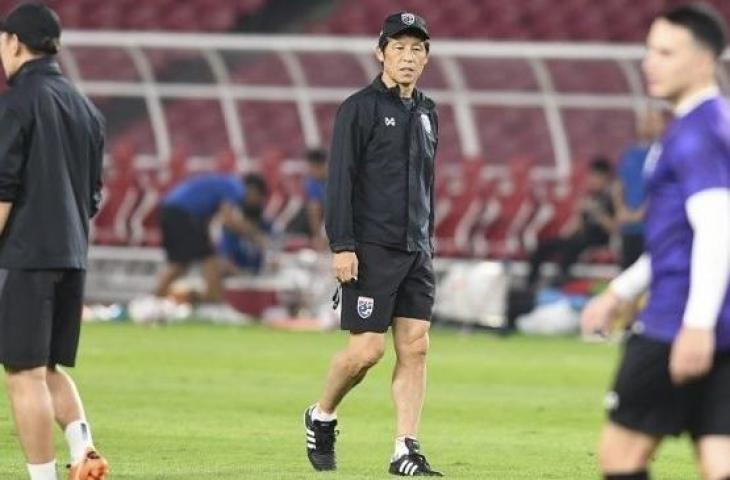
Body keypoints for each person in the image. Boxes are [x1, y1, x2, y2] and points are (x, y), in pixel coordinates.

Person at [581, 4, 730, 480]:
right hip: (717, 317)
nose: (650, 62)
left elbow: (716, 227)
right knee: (719, 458)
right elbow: (682, 234)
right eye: (649, 50)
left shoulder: (697, 133)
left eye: (666, 52)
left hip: (677, 320)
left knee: (620, 457)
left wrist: (697, 324)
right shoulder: (711, 124)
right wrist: (623, 291)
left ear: (705, 61)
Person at [303, 12, 442, 477]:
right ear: (380, 51)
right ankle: (321, 414)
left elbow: (426, 184)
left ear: (426, 57)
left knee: (417, 347)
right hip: (370, 247)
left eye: (417, 48)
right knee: (367, 352)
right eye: (399, 47)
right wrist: (342, 244)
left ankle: (405, 447)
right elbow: (339, 180)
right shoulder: (358, 108)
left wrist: (428, 238)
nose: (408, 56)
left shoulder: (427, 111)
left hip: (416, 248)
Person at [0, 3, 109, 479]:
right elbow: (92, 197)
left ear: (15, 42)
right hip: (72, 253)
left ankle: (41, 477)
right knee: (47, 368)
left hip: (26, 255)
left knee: (22, 373)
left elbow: (3, 189)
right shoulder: (85, 108)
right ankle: (83, 450)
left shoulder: (18, 102)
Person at [154, 172, 268, 303]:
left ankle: (156, 298)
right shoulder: (236, 188)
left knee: (186, 262)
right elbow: (228, 219)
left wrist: (209, 242)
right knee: (200, 259)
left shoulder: (223, 183)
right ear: (253, 190)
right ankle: (214, 304)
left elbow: (207, 220)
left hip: (172, 211)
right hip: (181, 214)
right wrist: (255, 236)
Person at [527, 157, 616, 289]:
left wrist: (597, 212)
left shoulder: (611, 199)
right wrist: (579, 214)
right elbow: (579, 228)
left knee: (571, 246)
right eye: (590, 176)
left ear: (605, 179)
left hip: (599, 239)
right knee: (545, 245)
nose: (592, 181)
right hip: (583, 237)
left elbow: (614, 229)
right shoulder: (587, 197)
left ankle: (561, 281)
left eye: (596, 177)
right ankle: (531, 283)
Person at [613, 109, 664, 269]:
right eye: (644, 121)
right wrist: (620, 209)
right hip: (629, 227)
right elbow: (619, 184)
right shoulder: (629, 154)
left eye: (652, 121)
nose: (647, 126)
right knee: (627, 271)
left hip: (651, 227)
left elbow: (661, 188)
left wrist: (642, 212)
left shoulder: (663, 153)